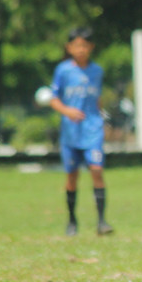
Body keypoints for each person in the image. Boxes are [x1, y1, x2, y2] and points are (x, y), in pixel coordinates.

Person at [48, 27, 114, 237]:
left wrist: (102, 120)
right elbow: (53, 99)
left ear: (91, 47)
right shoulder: (63, 71)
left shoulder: (97, 71)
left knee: (97, 170)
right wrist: (67, 111)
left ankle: (102, 221)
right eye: (77, 45)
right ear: (69, 48)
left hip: (92, 130)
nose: (81, 49)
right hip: (71, 132)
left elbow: (97, 99)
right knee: (72, 176)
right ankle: (72, 221)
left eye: (85, 45)